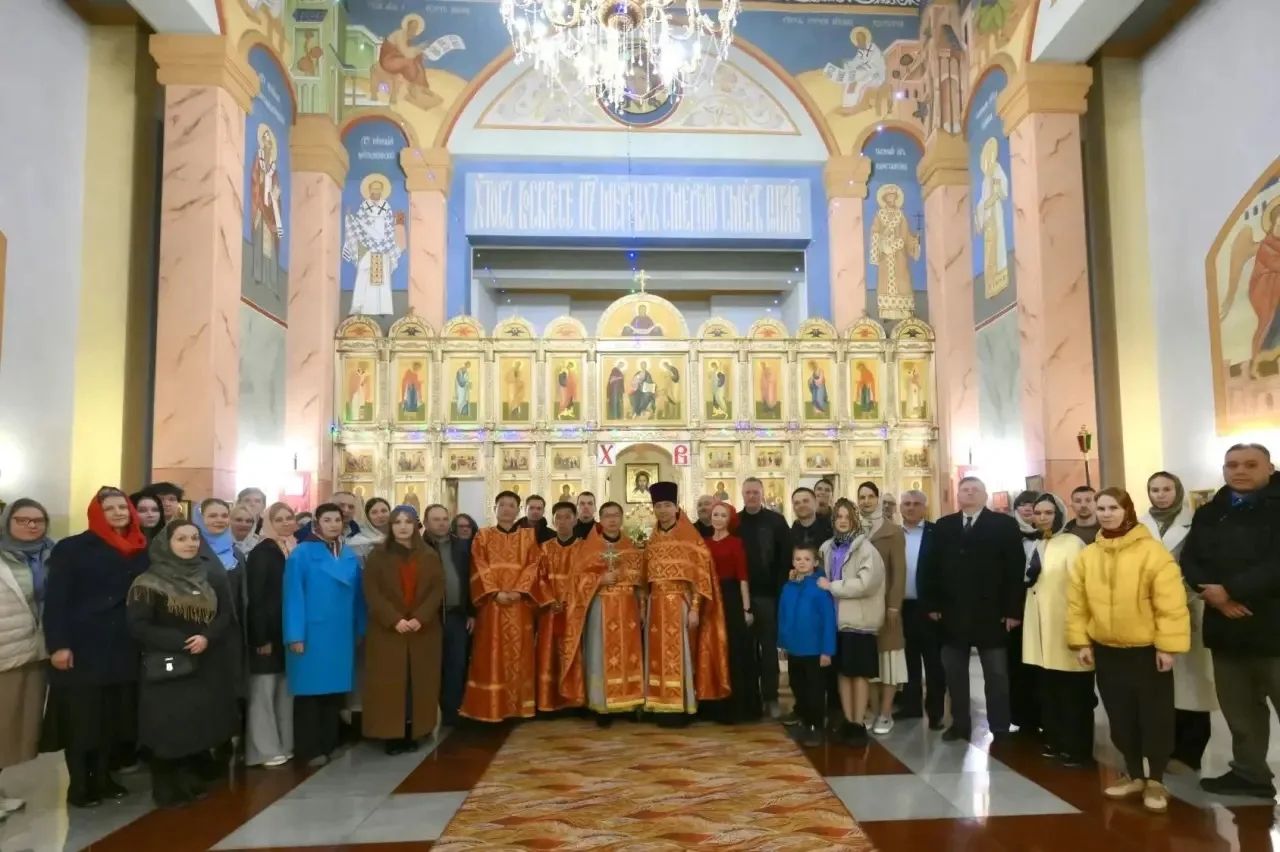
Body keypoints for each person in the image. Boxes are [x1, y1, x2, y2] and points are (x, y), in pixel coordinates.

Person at [1067, 487, 1188, 813]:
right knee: (1120, 715)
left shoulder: (1152, 552)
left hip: (1146, 650)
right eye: (1101, 508)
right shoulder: (1090, 555)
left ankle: (1157, 780)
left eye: (1113, 508)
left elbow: (1171, 604)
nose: (1106, 513)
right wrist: (1081, 641)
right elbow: (1077, 604)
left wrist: (1168, 646)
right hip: (1108, 650)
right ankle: (1134, 774)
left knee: (1155, 716)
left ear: (1127, 511)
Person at [1181, 443, 1280, 798]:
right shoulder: (1211, 512)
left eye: (1250, 464)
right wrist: (1214, 595)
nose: (1240, 471)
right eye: (1232, 464)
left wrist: (1231, 591)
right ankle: (1250, 773)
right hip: (1226, 629)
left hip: (1272, 625)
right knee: (1240, 710)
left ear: (1270, 468)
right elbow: (1190, 560)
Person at [43, 487, 147, 807]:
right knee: (82, 720)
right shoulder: (73, 548)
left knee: (112, 719)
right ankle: (80, 785)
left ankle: (103, 778)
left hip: (124, 646)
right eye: (110, 508)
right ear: (96, 513)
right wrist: (58, 645)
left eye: (123, 507)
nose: (118, 513)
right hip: (83, 645)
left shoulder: (140, 549)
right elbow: (57, 599)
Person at [127, 520, 239, 807]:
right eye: (181, 539)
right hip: (168, 666)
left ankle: (189, 779)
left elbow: (225, 613)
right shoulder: (148, 582)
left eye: (193, 538)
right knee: (167, 727)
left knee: (195, 724)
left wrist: (207, 637)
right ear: (167, 544)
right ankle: (165, 788)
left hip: (205, 662)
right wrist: (181, 641)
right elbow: (139, 626)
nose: (189, 544)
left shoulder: (209, 576)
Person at [923, 476, 1024, 742]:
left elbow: (1015, 569)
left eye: (975, 489)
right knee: (954, 674)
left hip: (993, 612)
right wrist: (932, 605)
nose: (969, 493)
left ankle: (1000, 725)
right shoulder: (944, 526)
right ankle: (960, 723)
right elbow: (930, 568)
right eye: (965, 489)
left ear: (984, 494)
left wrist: (1014, 611)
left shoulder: (1004, 524)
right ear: (958, 494)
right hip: (952, 612)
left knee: (997, 675)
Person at [1140, 471, 1214, 772]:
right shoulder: (1139, 525)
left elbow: (1204, 563)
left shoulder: (1196, 522)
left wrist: (1183, 594)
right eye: (1154, 489)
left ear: (1177, 490)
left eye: (1166, 489)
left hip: (1188, 605)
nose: (1161, 494)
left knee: (1191, 684)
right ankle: (1161, 747)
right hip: (1148, 610)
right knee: (1158, 685)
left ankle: (1189, 752)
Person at [284, 503, 366, 767]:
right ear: (316, 523)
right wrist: (295, 635)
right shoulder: (302, 554)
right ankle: (309, 748)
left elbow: (358, 597)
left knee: (333, 694)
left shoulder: (348, 553)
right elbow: (293, 596)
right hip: (311, 633)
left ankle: (330, 743)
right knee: (310, 695)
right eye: (327, 519)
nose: (333, 524)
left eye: (337, 520)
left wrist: (360, 628)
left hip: (340, 633)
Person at [643, 482, 731, 725]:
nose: (662, 510)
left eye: (667, 505)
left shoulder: (690, 537)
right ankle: (659, 705)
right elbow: (644, 578)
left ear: (676, 507)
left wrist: (694, 609)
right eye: (658, 506)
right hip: (655, 605)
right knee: (656, 657)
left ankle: (682, 707)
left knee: (681, 656)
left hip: (680, 604)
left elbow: (700, 578)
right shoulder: (652, 540)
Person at [362, 506, 443, 754]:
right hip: (388, 631)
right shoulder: (377, 555)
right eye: (398, 522)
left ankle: (415, 730)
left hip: (423, 631)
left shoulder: (429, 555)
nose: (403, 526)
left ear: (416, 524)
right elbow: (372, 591)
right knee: (390, 683)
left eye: (408, 521)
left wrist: (421, 616)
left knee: (419, 682)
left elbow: (437, 589)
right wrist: (394, 619)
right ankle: (391, 734)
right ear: (391, 526)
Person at [461, 491, 546, 722]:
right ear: (495, 508)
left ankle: (518, 707)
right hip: (492, 606)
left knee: (520, 656)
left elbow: (534, 565)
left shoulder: (528, 537)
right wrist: (495, 592)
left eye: (512, 505)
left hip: (520, 607)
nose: (507, 509)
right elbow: (479, 565)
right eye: (503, 505)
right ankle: (491, 707)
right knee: (490, 655)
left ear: (518, 510)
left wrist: (519, 590)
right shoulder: (483, 536)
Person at [1022, 494, 1093, 767]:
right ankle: (1056, 740)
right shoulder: (1037, 542)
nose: (1042, 517)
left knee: (1073, 693)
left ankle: (1078, 749)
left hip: (1065, 627)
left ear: (1059, 514)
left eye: (1048, 512)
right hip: (1041, 631)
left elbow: (1081, 587)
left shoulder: (1072, 543)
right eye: (1038, 513)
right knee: (1049, 690)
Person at [562, 502, 646, 725]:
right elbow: (576, 582)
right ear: (600, 520)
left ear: (621, 518)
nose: (612, 520)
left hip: (628, 609)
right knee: (599, 654)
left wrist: (643, 609)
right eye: (607, 516)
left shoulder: (631, 547)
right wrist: (599, 579)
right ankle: (602, 706)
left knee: (629, 655)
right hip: (600, 607)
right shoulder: (589, 548)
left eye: (616, 515)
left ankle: (627, 704)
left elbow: (640, 583)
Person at [0, 499, 54, 818]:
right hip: (4, 648)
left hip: (33, 651)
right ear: (8, 522)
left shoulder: (52, 554)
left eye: (38, 520)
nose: (31, 525)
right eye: (23, 520)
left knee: (13, 727)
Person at [819, 498, 885, 745]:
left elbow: (867, 584)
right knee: (843, 674)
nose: (843, 521)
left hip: (858, 620)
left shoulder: (865, 549)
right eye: (839, 517)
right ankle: (848, 719)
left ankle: (858, 722)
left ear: (855, 520)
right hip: (835, 621)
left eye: (847, 517)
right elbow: (818, 575)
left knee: (859, 675)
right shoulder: (827, 547)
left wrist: (833, 586)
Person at [244, 502, 297, 768]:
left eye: (290, 518)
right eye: (279, 519)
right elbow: (257, 597)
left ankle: (284, 743)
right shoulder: (262, 552)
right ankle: (263, 749)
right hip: (267, 634)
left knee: (283, 691)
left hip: (286, 630)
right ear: (268, 522)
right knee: (263, 693)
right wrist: (260, 638)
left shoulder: (290, 549)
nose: (286, 523)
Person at [700, 502, 761, 723]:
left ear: (729, 520)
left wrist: (746, 608)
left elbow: (742, 577)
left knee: (733, 650)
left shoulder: (736, 544)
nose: (717, 518)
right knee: (711, 649)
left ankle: (737, 707)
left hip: (732, 598)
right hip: (709, 599)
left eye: (722, 515)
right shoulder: (703, 544)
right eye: (715, 514)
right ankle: (712, 704)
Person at [737, 477, 792, 720]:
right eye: (748, 492)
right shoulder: (733, 522)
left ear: (762, 494)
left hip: (769, 595)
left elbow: (785, 558)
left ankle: (771, 698)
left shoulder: (776, 521)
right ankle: (749, 699)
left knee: (769, 650)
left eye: (755, 492)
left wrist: (781, 592)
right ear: (742, 494)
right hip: (741, 598)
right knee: (746, 651)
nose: (752, 496)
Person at [856, 482, 907, 736]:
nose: (866, 501)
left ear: (878, 499)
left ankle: (886, 713)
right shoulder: (852, 531)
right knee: (868, 662)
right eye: (862, 497)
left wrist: (894, 605)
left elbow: (900, 572)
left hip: (886, 605)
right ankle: (872, 710)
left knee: (888, 661)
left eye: (870, 496)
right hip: (861, 606)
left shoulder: (893, 531)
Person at [779, 544, 837, 747]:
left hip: (815, 650)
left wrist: (827, 650)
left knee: (815, 690)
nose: (802, 563)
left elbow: (829, 620)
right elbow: (784, 616)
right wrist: (782, 643)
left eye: (806, 559)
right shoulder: (788, 587)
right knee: (797, 685)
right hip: (794, 647)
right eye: (798, 559)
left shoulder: (820, 588)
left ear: (815, 563)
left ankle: (816, 726)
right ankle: (804, 719)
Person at [896, 490, 944, 730]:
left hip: (929, 609)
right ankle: (911, 706)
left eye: (916, 504)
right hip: (902, 607)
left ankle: (935, 712)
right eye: (906, 504)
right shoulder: (893, 534)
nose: (911, 508)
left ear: (924, 507)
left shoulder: (937, 534)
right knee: (909, 660)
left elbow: (946, 572)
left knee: (934, 662)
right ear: (900, 508)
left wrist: (938, 605)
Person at [423, 505, 473, 726]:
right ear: (426, 522)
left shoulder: (461, 546)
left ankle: (452, 714)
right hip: (428, 617)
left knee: (456, 665)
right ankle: (426, 715)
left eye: (445, 519)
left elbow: (470, 579)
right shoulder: (418, 547)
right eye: (436, 519)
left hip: (456, 615)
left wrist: (472, 612)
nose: (441, 523)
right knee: (430, 666)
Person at [535, 502, 579, 713]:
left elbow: (588, 578)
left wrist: (571, 600)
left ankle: (575, 702)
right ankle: (548, 701)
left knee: (575, 654)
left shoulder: (583, 548)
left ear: (575, 520)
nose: (562, 522)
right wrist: (551, 599)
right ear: (553, 521)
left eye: (567, 517)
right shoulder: (544, 548)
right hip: (550, 611)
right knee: (548, 655)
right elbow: (538, 578)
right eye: (558, 518)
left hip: (575, 611)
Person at [1009, 490, 1043, 737]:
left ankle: (1044, 715)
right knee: (1018, 664)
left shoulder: (1053, 536)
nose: (1028, 509)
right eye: (1023, 505)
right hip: (1017, 609)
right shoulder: (1009, 533)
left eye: (1033, 505)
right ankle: (1022, 716)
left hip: (1044, 608)